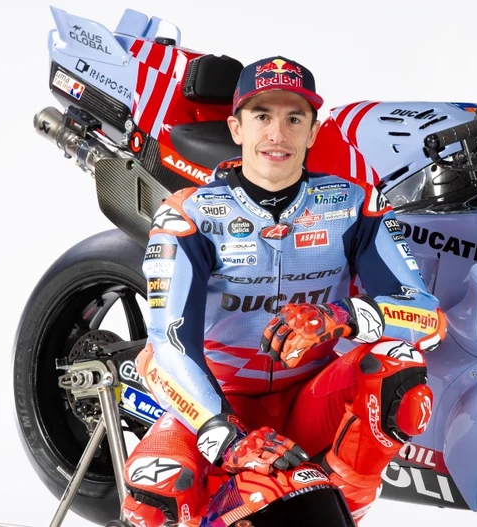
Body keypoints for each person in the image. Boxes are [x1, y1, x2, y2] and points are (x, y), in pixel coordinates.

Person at [121, 55, 446, 527]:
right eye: (262, 116)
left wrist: (342, 316)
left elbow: (428, 320)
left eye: (295, 118)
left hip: (309, 398)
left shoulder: (353, 204)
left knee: (398, 362)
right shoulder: (188, 215)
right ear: (236, 128)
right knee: (158, 494)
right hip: (219, 400)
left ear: (313, 132)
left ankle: (345, 503)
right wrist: (226, 438)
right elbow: (168, 344)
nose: (278, 133)